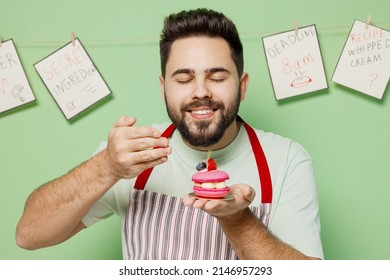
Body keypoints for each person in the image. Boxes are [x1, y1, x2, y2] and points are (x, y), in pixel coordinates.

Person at [16, 8, 323, 260]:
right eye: (184, 78)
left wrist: (237, 219)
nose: (201, 92)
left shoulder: (286, 160)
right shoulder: (129, 156)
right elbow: (29, 235)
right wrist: (105, 167)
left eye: (217, 77)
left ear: (242, 85)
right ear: (163, 87)